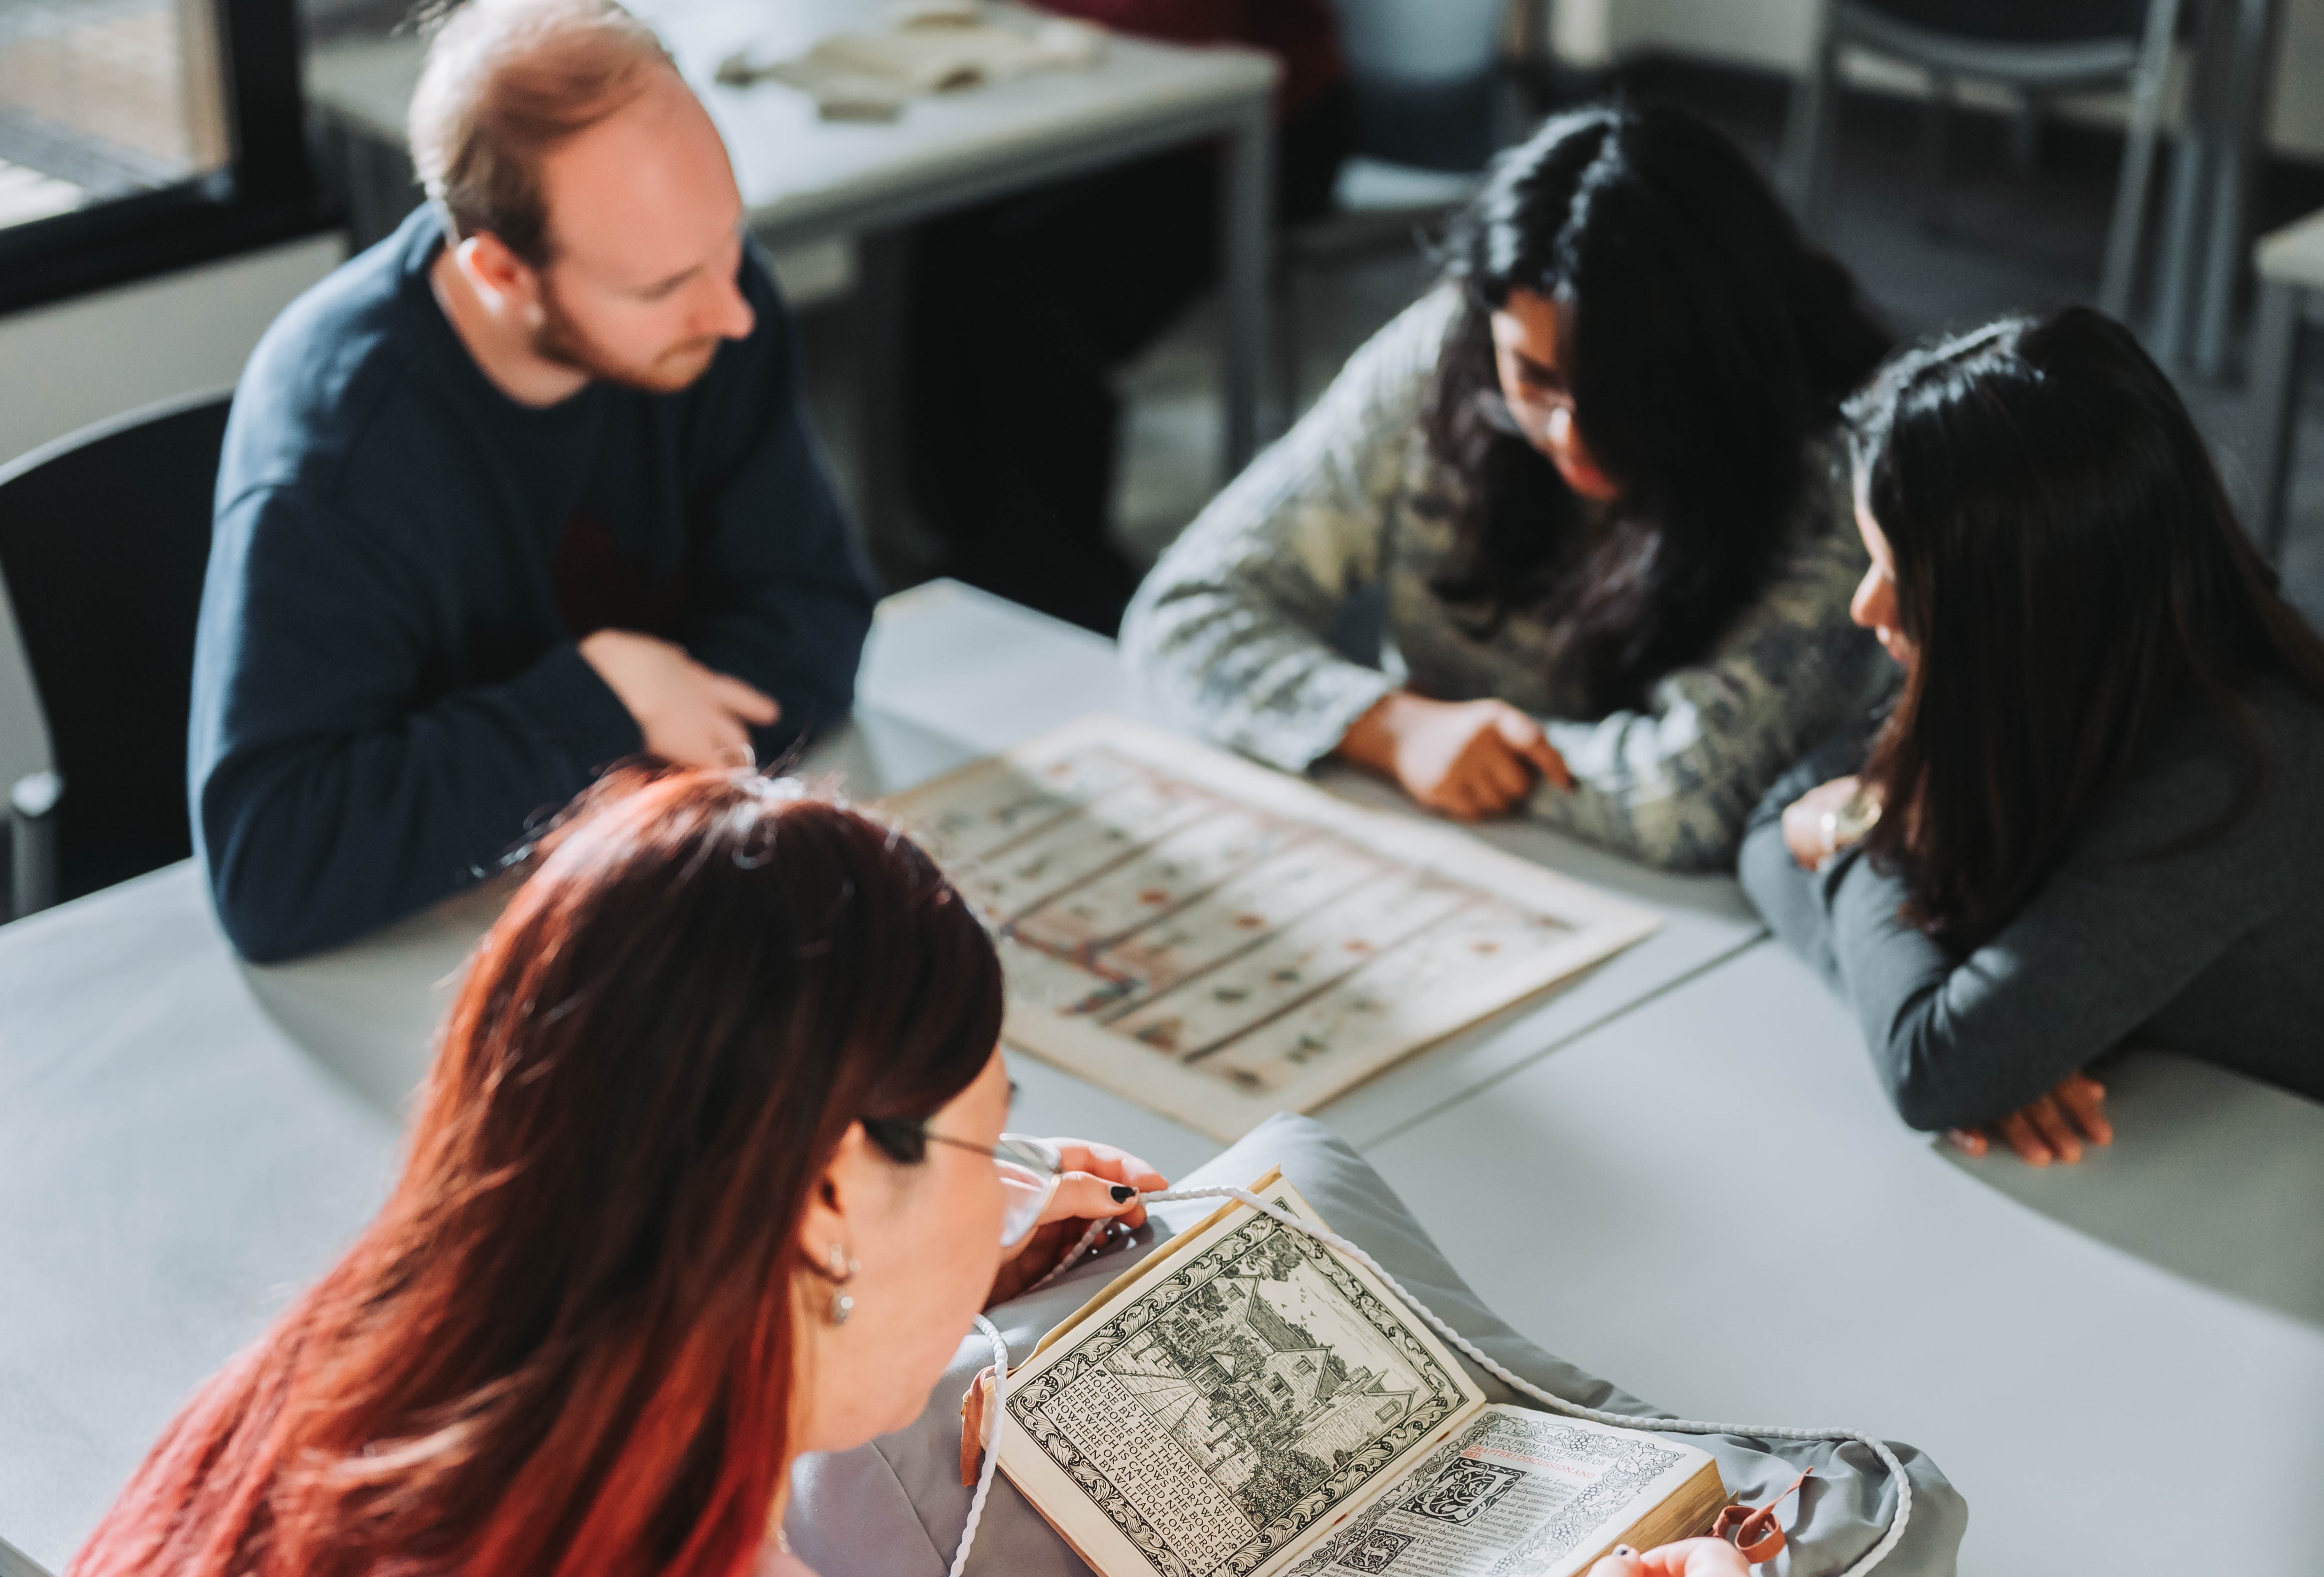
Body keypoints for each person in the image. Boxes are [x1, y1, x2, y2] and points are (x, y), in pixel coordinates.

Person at [0, 768, 1797, 1577]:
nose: (1025, 1183)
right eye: (990, 1143)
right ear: (826, 1195)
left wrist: (889, 1291)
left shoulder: (254, 1455)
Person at [189, 0, 875, 965]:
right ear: (501, 274)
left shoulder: (711, 298)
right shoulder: (343, 450)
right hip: (440, 967)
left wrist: (618, 775)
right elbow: (277, 866)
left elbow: (816, 619)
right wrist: (611, 697)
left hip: (647, 909)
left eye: (727, 239)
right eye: (659, 287)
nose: (732, 312)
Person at [1123, 103, 1896, 870]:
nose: (1567, 435)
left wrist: (1462, 750)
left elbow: (1688, 796)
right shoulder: (1446, 352)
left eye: (1620, 394)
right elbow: (1186, 608)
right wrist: (1388, 727)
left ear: (1716, 358)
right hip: (1449, 848)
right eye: (1532, 380)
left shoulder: (1838, 468)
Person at [1740, 308, 2324, 1162]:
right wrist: (1936, 1006)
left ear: (2017, 606)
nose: (1864, 607)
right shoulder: (2029, 682)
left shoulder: (2238, 772)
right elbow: (1765, 832)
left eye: (1899, 577)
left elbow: (1934, 1069)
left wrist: (1854, 844)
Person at [899, 0, 1352, 635]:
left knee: (1031, 281)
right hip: (1087, 116)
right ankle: (963, 538)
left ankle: (1060, 574)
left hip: (1251, 136)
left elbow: (1174, 23)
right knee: (943, 232)